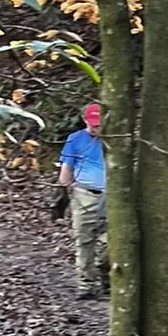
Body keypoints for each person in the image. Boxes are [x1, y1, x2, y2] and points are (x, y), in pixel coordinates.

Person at [57, 102, 106, 299]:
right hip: (83, 194)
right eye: (93, 123)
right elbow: (66, 168)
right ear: (85, 120)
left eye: (99, 123)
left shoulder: (115, 140)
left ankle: (107, 279)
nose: (96, 127)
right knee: (84, 241)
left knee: (108, 244)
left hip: (111, 196)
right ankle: (86, 285)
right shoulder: (75, 139)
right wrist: (62, 192)